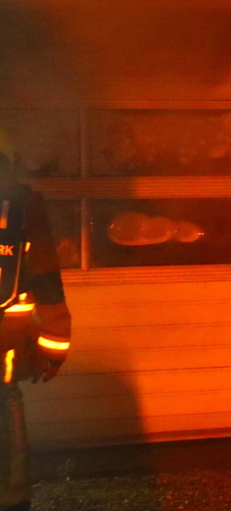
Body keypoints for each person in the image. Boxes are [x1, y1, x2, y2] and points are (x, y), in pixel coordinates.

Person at [0, 130, 71, 511]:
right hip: (4, 342)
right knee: (5, 408)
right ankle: (11, 500)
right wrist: (55, 344)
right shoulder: (23, 205)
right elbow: (44, 277)